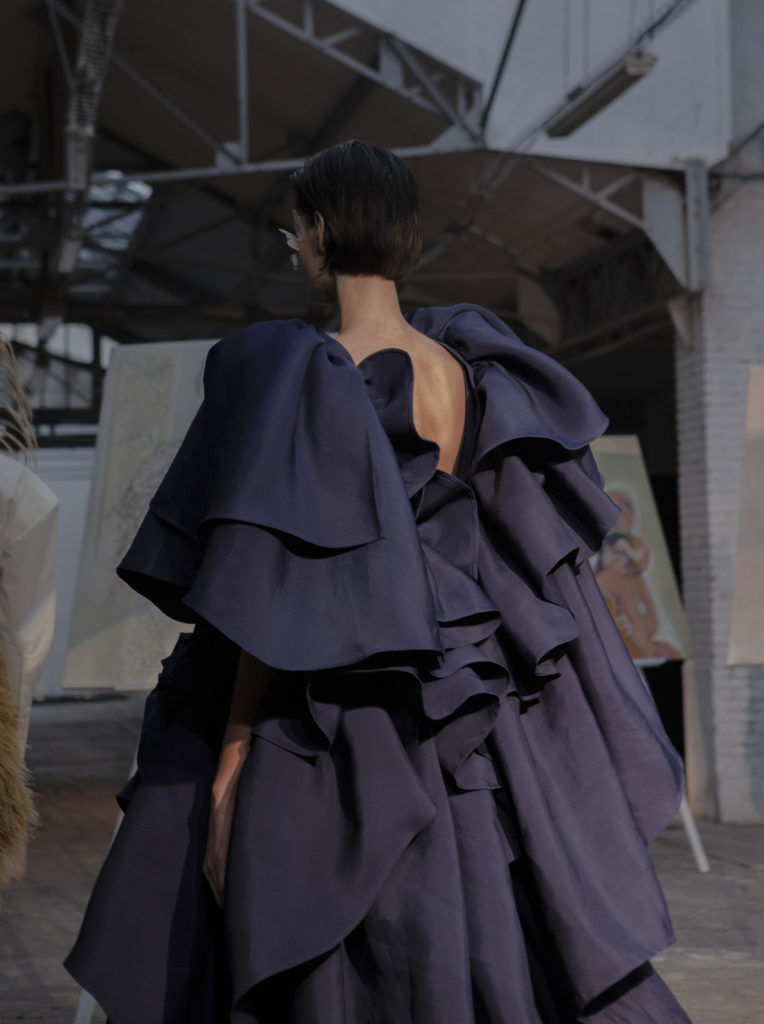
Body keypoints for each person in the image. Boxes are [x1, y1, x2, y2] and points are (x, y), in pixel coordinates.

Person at [66, 140, 691, 1023]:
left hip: (337, 707)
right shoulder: (468, 367)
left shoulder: (306, 376)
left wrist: (233, 759)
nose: (295, 244)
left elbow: (275, 590)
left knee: (320, 940)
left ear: (321, 229)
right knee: (484, 930)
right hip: (466, 709)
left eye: (296, 226)